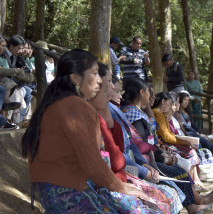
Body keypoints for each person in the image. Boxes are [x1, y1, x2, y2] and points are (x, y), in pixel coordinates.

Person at [21, 49, 158, 213]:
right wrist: (121, 187)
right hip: (69, 192)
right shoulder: (74, 106)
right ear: (76, 78)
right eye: (95, 73)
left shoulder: (58, 103)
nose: (100, 81)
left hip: (56, 192)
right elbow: (91, 161)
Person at [119, 78, 213, 213]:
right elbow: (142, 145)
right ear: (142, 92)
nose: (152, 98)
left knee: (180, 167)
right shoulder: (133, 114)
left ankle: (197, 200)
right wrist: (162, 157)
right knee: (179, 173)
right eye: (150, 93)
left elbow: (150, 140)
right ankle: (193, 206)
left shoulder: (137, 112)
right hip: (145, 161)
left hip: (150, 156)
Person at [90, 63, 180, 213]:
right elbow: (121, 155)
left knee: (170, 187)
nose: (114, 90)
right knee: (163, 192)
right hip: (118, 175)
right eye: (109, 85)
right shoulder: (119, 112)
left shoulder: (112, 111)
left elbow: (130, 145)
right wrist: (146, 168)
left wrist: (146, 165)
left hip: (128, 169)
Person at [177, 92, 213, 173]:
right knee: (205, 143)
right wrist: (197, 133)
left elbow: (192, 124)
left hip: (193, 133)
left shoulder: (187, 111)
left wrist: (199, 131)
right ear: (179, 100)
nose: (186, 102)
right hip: (187, 134)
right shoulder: (178, 113)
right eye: (184, 100)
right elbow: (185, 126)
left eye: (187, 100)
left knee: (207, 145)